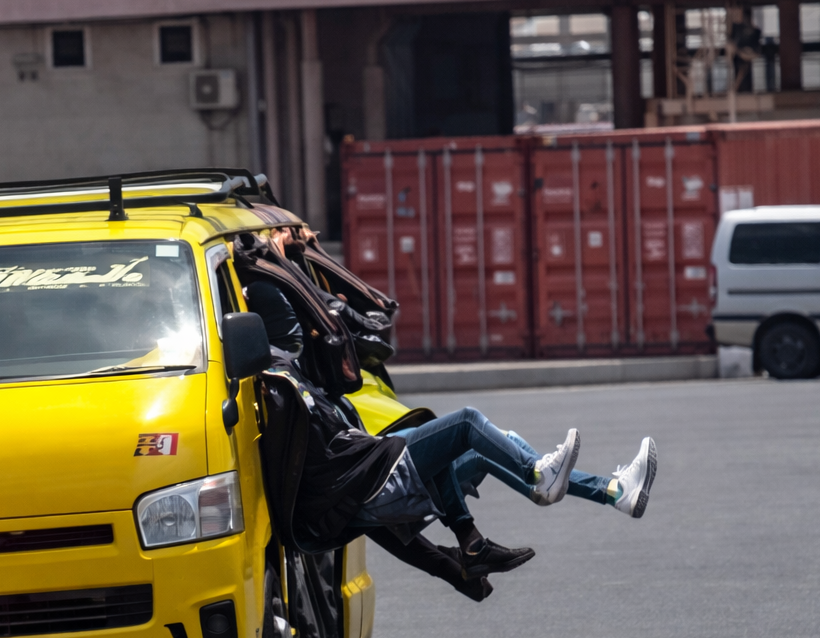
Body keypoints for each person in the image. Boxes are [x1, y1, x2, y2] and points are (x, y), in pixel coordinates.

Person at [241, 227, 657, 592]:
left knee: (494, 444)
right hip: (371, 478)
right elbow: (320, 324)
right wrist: (279, 262)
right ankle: (538, 477)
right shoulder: (284, 381)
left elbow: (353, 318)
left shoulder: (304, 380)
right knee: (467, 423)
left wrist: (292, 257)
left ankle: (611, 492)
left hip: (373, 470)